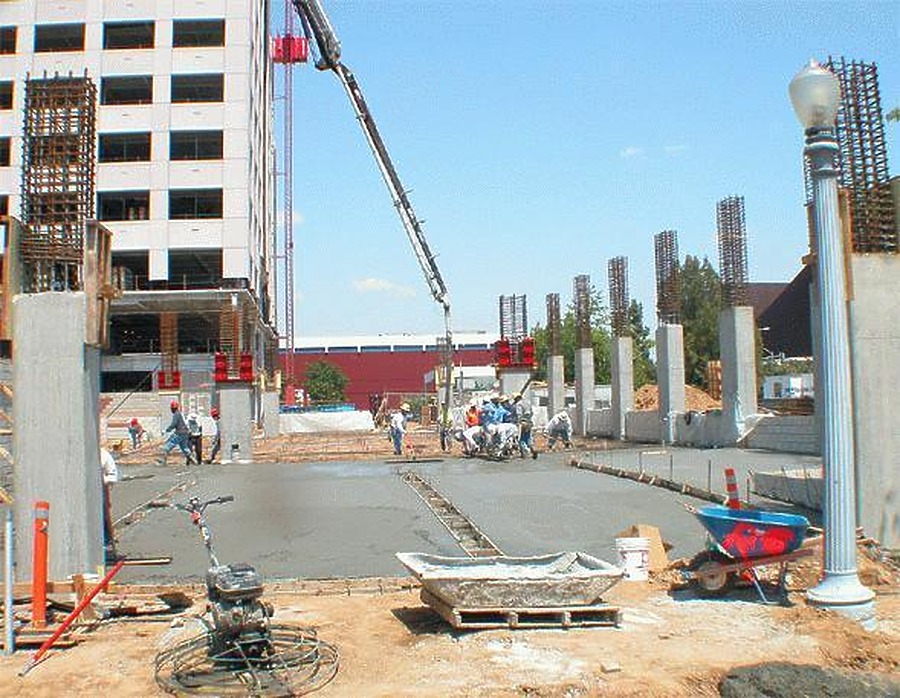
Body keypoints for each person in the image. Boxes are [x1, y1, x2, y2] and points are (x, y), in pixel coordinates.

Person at [160, 400, 196, 465]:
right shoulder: (179, 414)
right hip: (185, 433)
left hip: (179, 433)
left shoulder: (176, 414)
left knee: (167, 445)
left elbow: (174, 424)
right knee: (184, 447)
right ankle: (194, 461)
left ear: (172, 408)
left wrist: (166, 430)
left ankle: (163, 461)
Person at [100, 446, 119, 560]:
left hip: (98, 490)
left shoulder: (102, 454)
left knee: (101, 517)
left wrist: (103, 480)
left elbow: (112, 474)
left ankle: (106, 544)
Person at [513, 393, 538, 459]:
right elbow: (532, 413)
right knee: (528, 437)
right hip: (529, 422)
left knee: (521, 439)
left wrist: (519, 422)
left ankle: (525, 453)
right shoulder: (528, 403)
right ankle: (532, 448)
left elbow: (519, 414)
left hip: (522, 423)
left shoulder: (518, 404)